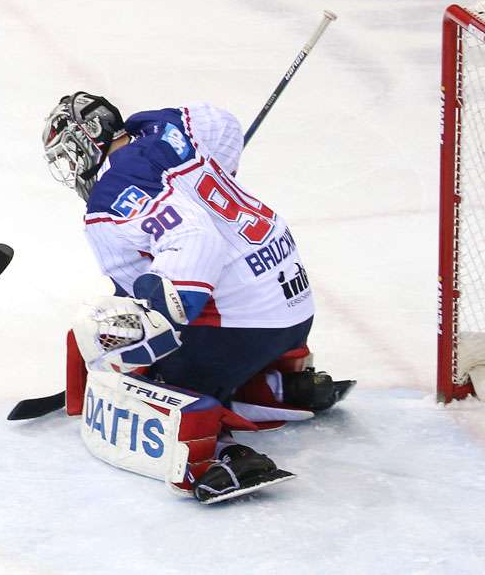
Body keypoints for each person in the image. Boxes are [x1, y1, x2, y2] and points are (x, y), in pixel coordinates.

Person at [40, 92, 353, 504]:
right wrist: (212, 180)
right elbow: (223, 124)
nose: (72, 166)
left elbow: (194, 239)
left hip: (240, 329)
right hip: (292, 306)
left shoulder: (111, 194)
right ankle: (282, 385)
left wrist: (165, 312)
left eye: (69, 153)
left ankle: (224, 455)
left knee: (132, 356)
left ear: (88, 139)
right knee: (170, 314)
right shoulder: (166, 131)